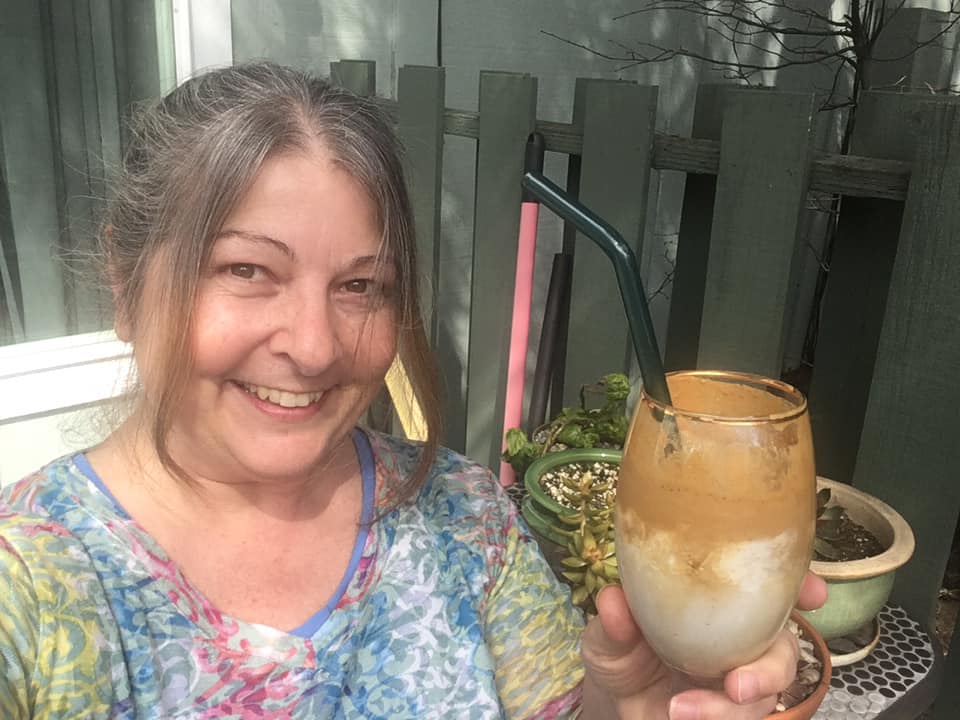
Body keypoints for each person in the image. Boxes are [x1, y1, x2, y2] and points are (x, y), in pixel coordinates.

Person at [0, 61, 825, 719]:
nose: (315, 346)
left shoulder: (462, 519)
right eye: (248, 270)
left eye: (362, 287)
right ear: (122, 279)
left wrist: (632, 703)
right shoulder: (31, 587)